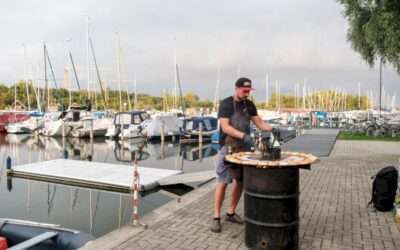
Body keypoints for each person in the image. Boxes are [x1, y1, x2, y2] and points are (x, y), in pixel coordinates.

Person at [211, 77, 273, 233]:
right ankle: (216, 218)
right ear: (237, 88)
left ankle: (230, 212)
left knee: (241, 181)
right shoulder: (226, 104)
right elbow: (225, 127)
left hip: (243, 149)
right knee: (223, 182)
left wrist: (272, 129)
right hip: (228, 147)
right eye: (244, 91)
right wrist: (244, 136)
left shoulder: (249, 104)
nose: (247, 94)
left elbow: (259, 123)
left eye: (249, 91)